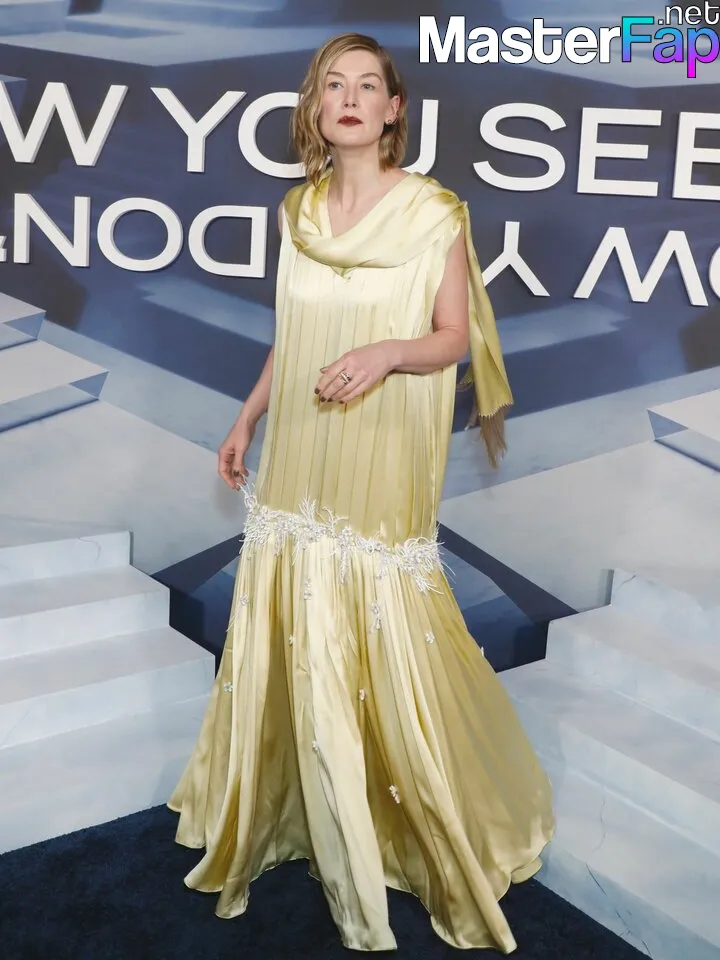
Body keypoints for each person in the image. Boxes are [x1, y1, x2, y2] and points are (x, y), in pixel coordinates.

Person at [168, 32, 554, 954]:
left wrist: (386, 352)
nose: (348, 97)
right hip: (300, 448)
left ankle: (402, 817)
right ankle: (305, 809)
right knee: (297, 606)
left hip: (385, 444)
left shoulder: (434, 212)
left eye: (367, 85)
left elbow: (454, 336)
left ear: (392, 110)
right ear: (316, 107)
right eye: (331, 84)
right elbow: (291, 332)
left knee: (378, 609)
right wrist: (247, 417)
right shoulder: (296, 210)